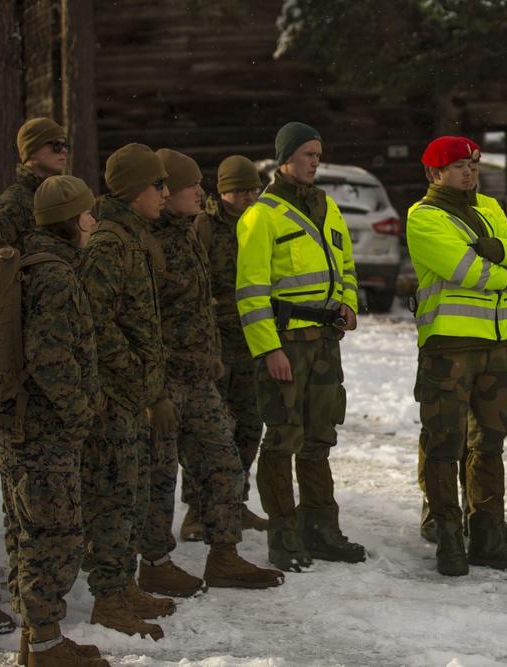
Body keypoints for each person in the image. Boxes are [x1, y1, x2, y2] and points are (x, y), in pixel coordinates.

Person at [138, 149, 283, 597]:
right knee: (159, 478)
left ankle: (224, 556)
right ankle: (156, 563)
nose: (201, 192)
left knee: (224, 461)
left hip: (201, 373)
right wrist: (150, 386)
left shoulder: (183, 233)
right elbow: (138, 318)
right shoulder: (144, 241)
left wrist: (211, 357)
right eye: (190, 186)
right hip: (162, 379)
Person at [236, 122, 365, 572]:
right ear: (285, 157)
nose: (315, 161)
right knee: (283, 438)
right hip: (287, 343)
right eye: (308, 153)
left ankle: (321, 529)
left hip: (326, 342)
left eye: (318, 153)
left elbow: (345, 264)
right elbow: (250, 292)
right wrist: (268, 350)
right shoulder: (262, 214)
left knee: (319, 437)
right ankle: (284, 534)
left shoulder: (326, 206)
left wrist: (348, 303)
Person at [406, 135, 507, 576]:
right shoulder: (424, 217)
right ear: (435, 173)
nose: (470, 173)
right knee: (445, 445)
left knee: (490, 444)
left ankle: (488, 540)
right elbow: (464, 270)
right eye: (459, 166)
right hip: (449, 346)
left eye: (474, 166)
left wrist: (499, 251)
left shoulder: (488, 208)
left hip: (495, 346)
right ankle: (448, 543)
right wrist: (503, 271)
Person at [0, 175, 110, 666]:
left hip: (16, 425)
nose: (93, 222)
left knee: (26, 533)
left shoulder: (27, 262)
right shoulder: (57, 275)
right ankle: (46, 648)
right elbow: (48, 356)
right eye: (87, 214)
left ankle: (33, 641)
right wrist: (79, 412)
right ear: (69, 219)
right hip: (43, 430)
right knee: (54, 537)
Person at [79, 143, 169, 640]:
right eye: (158, 185)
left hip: (132, 395)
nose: (165, 192)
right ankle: (107, 598)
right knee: (112, 498)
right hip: (114, 397)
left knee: (131, 494)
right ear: (135, 190)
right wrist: (132, 369)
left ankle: (124, 584)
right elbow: (95, 318)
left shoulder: (133, 235)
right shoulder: (111, 240)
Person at [180, 155, 268, 542]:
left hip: (251, 341)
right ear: (223, 190)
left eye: (253, 188)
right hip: (214, 345)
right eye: (241, 189)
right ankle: (197, 509)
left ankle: (234, 501)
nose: (250, 195)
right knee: (208, 432)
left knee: (249, 428)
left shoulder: (260, 222)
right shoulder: (204, 226)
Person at [0, 118, 70, 252]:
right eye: (56, 145)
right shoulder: (14, 203)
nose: (63, 150)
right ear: (32, 149)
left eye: (65, 146)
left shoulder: (54, 197)